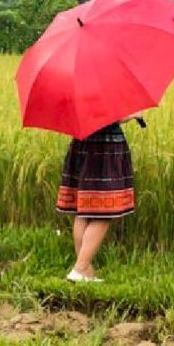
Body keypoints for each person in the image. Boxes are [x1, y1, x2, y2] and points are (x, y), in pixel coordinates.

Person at [55, 111, 143, 282]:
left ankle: (85, 269)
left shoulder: (80, 85)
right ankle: (80, 268)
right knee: (104, 212)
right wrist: (134, 114)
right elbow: (112, 115)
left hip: (82, 143)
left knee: (84, 211)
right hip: (105, 147)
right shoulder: (108, 85)